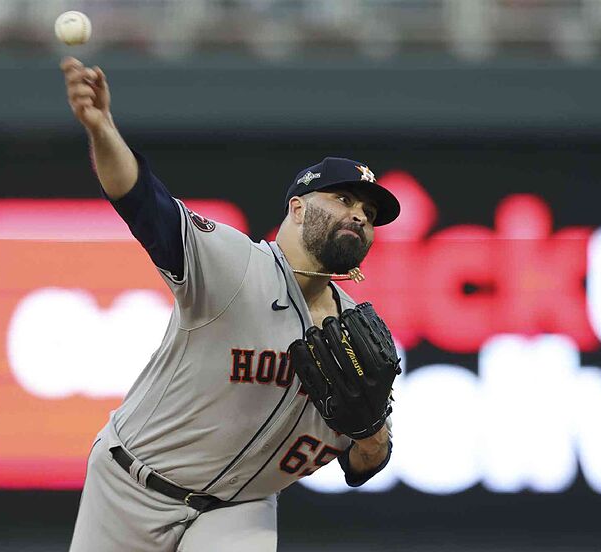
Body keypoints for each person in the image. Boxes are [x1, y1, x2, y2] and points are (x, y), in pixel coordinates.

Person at [61, 56, 401, 552]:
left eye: (369, 212)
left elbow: (365, 463)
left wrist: (370, 432)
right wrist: (102, 128)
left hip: (241, 509)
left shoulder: (357, 335)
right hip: (132, 484)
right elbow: (139, 199)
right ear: (298, 207)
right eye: (344, 200)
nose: (360, 215)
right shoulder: (232, 264)